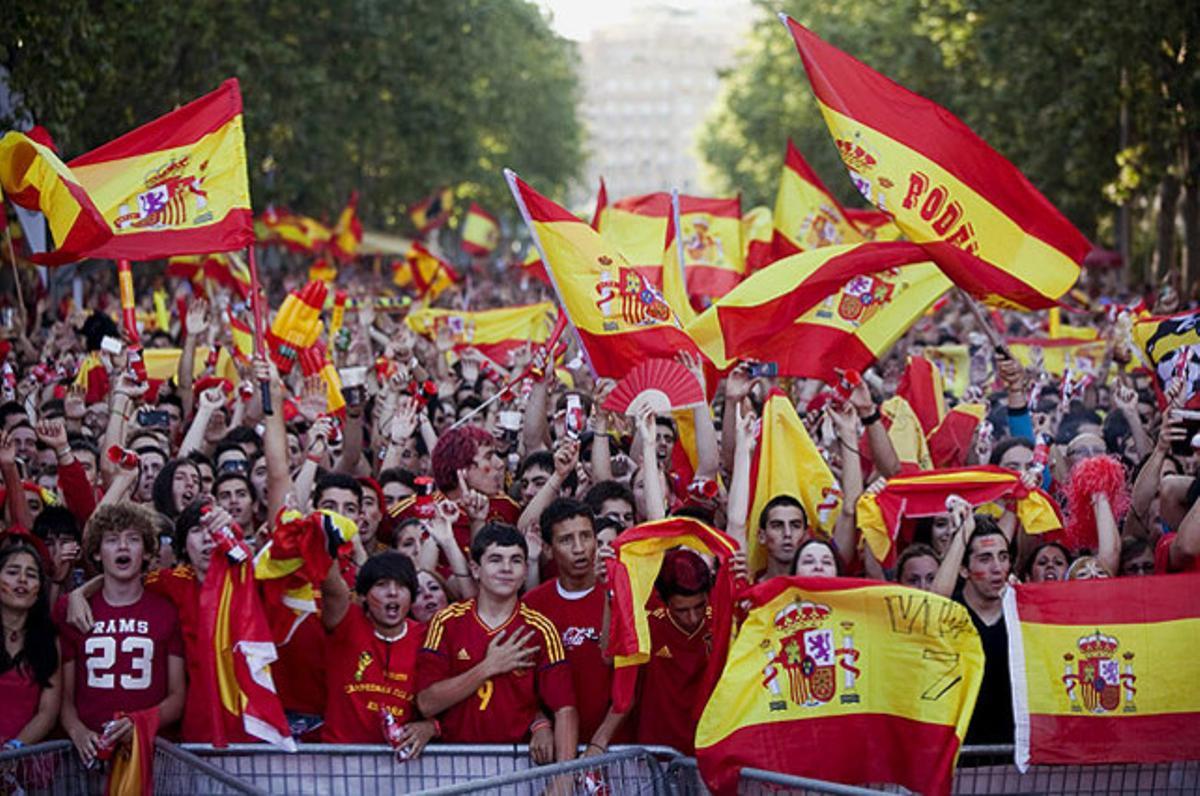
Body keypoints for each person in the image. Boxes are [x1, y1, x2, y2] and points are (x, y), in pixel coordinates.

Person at [416, 523, 577, 761]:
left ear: (525, 570)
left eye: (515, 560)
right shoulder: (446, 621)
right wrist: (488, 666)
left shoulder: (540, 629)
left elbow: (565, 709)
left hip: (518, 765)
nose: (506, 568)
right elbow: (426, 703)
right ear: (475, 569)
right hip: (452, 763)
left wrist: (563, 779)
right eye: (495, 559)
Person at [57, 501, 186, 765]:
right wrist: (77, 730)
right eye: (112, 540)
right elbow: (64, 697)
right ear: (96, 553)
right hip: (90, 757)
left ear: (147, 552)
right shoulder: (73, 610)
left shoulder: (166, 610)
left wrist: (141, 723)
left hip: (151, 757)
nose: (123, 546)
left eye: (133, 539)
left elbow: (177, 695)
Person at [524, 498, 625, 754]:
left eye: (586, 536)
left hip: (618, 751)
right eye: (566, 540)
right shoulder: (532, 606)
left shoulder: (622, 595)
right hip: (556, 752)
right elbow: (520, 683)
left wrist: (600, 741)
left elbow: (632, 679)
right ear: (547, 549)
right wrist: (539, 722)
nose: (579, 548)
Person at [321, 551, 438, 756]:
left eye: (401, 586)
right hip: (340, 761)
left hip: (403, 764)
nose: (392, 592)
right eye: (382, 584)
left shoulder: (427, 636)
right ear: (364, 594)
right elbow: (332, 587)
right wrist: (324, 541)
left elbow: (444, 696)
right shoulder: (346, 622)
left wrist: (432, 727)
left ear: (411, 597)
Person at [932, 500, 1013, 745]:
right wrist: (964, 531)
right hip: (963, 755)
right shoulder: (952, 612)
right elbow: (934, 603)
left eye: (1003, 557)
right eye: (985, 559)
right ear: (964, 570)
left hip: (1014, 756)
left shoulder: (1020, 614)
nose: (997, 568)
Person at [633, 547, 713, 755]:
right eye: (682, 610)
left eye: (699, 606)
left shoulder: (722, 619)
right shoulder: (647, 622)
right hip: (657, 755)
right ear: (664, 601)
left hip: (708, 751)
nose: (693, 618)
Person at [0, 544, 61, 747]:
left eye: (32, 574)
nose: (22, 580)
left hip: (26, 760)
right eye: (12, 572)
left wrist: (13, 748)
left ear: (39, 591)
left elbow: (48, 713)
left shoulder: (49, 641)